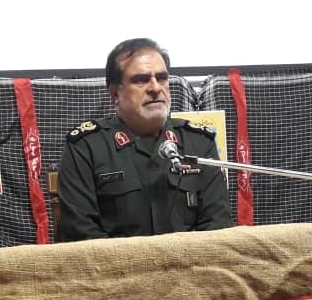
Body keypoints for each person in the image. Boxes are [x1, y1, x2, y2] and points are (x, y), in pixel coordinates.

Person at [56, 38, 232, 241]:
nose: (155, 88)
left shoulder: (200, 142)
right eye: (141, 80)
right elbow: (81, 234)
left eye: (162, 78)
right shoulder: (86, 146)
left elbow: (218, 226)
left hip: (191, 261)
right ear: (115, 93)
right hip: (114, 262)